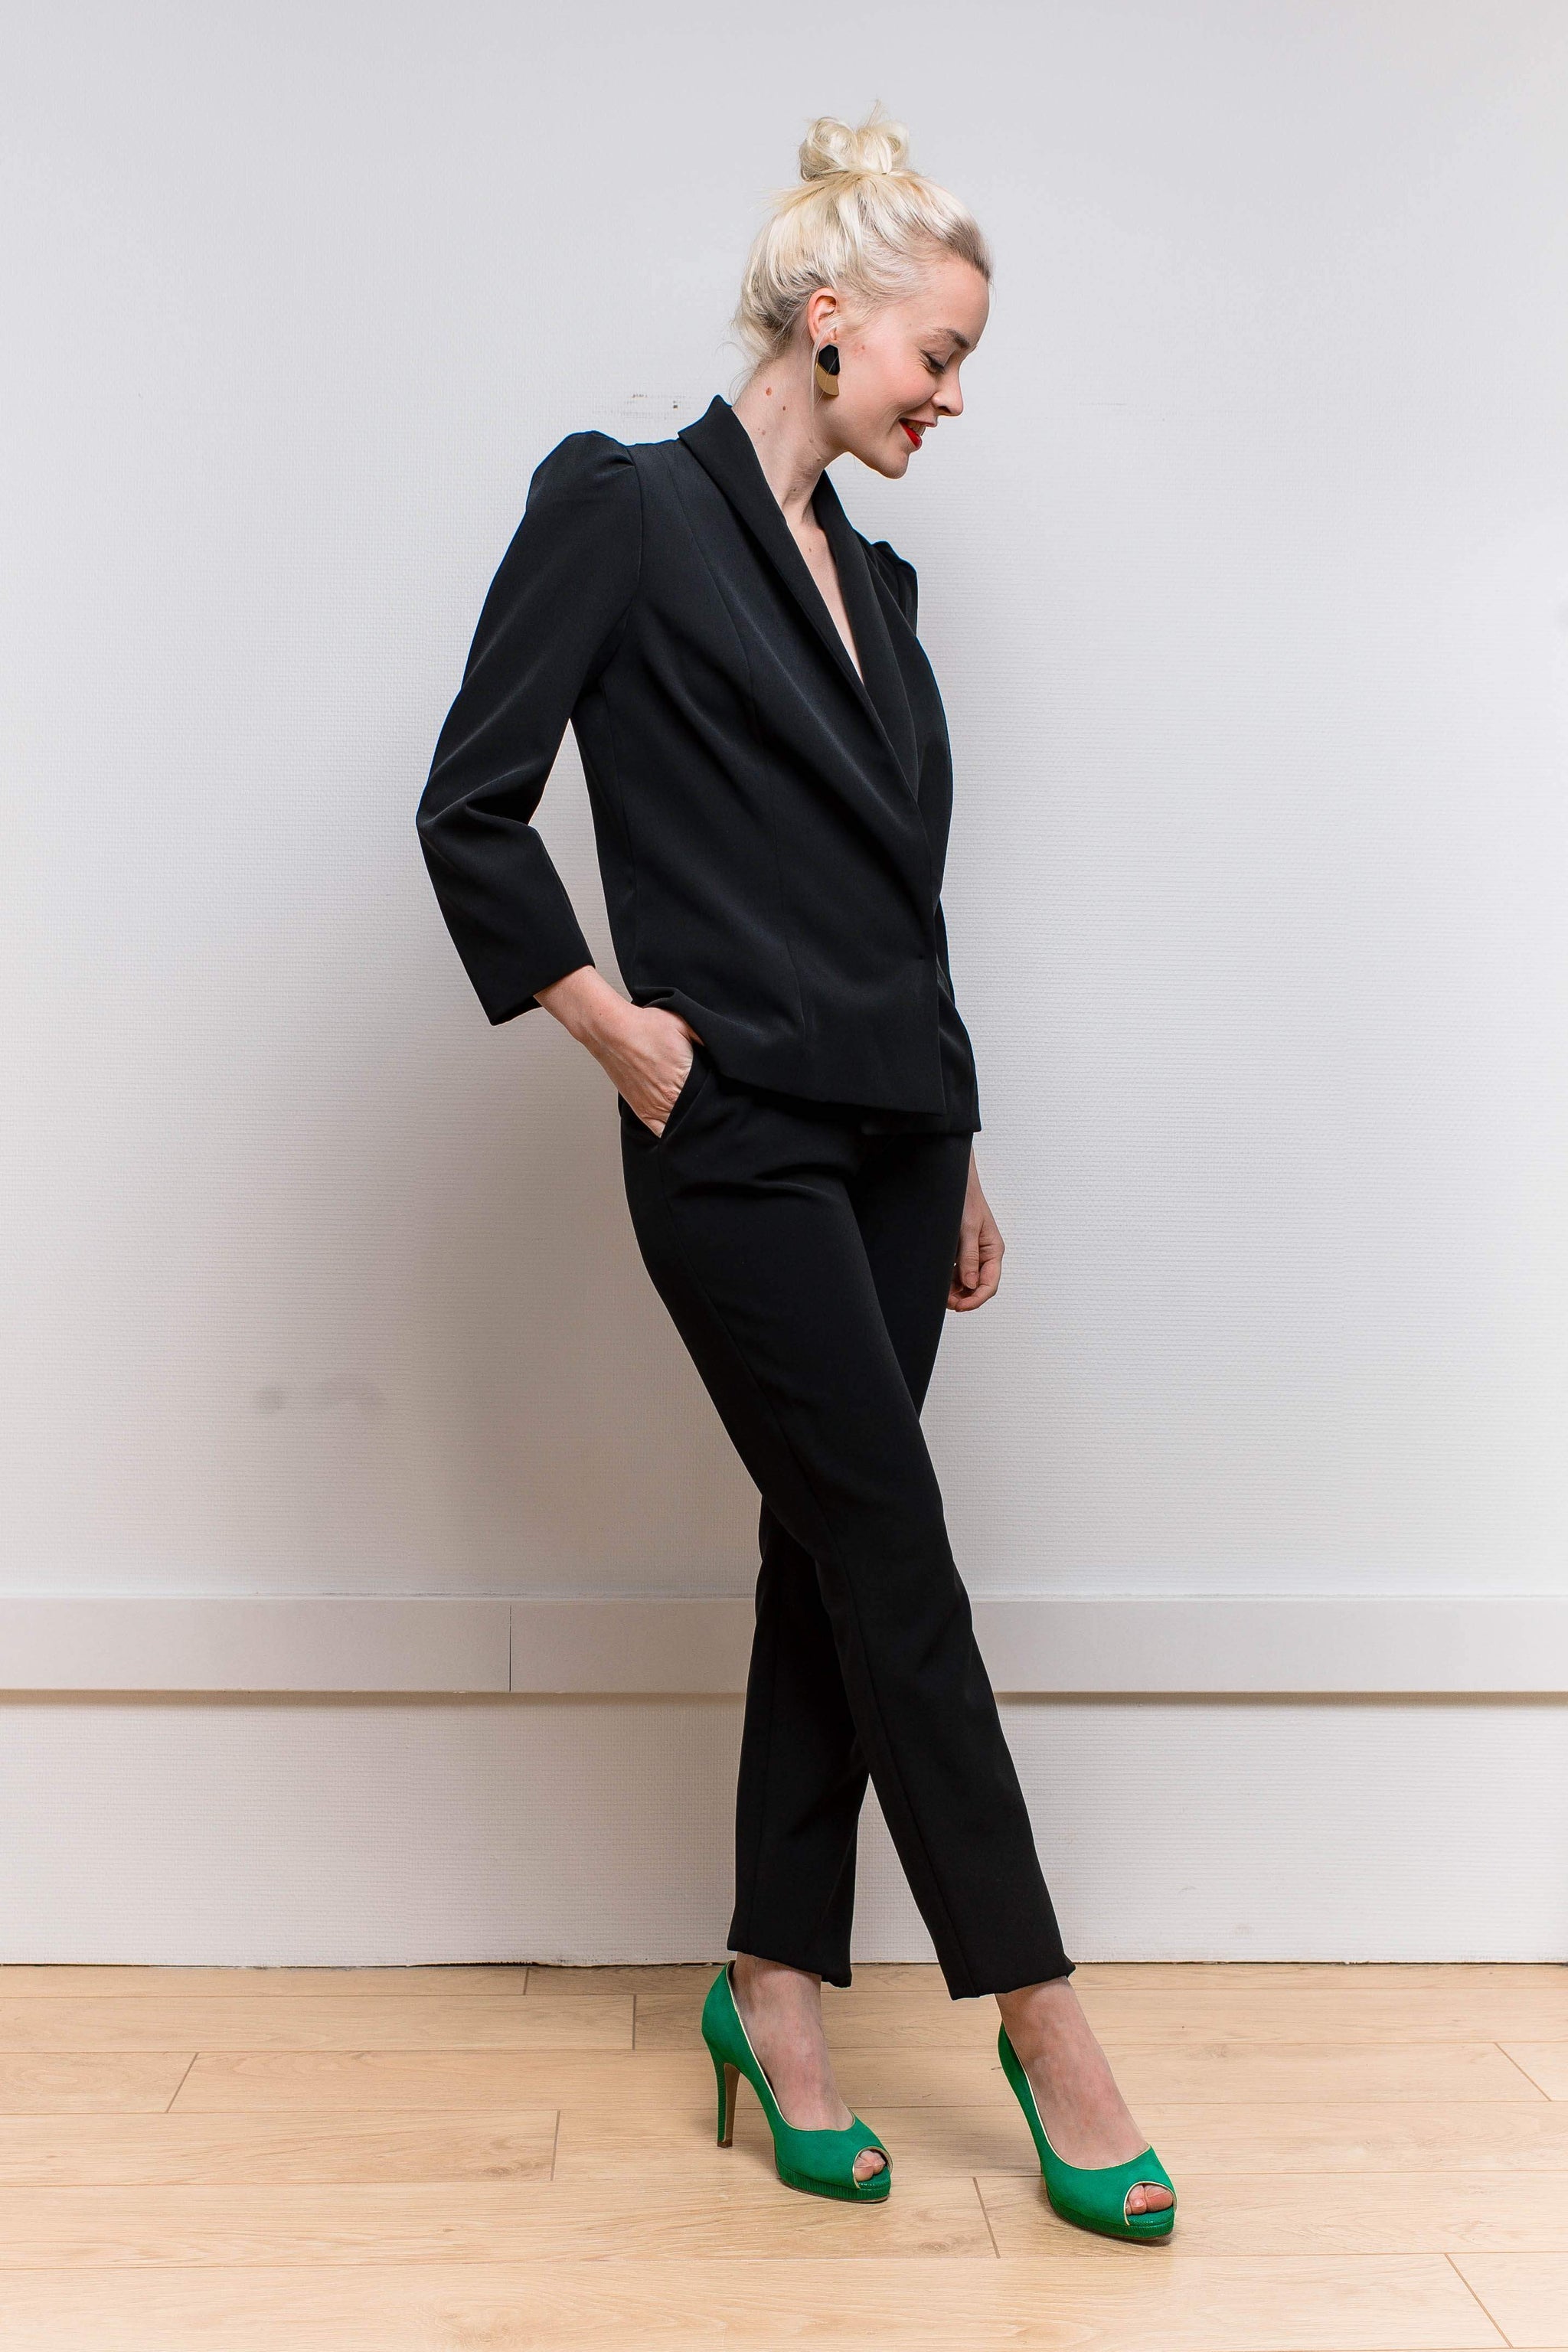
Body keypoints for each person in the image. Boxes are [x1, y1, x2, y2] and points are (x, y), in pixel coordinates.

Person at [416, 102, 1174, 2240]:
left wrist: (962, 1134)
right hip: (732, 1130)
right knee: (896, 1553)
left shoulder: (887, 587)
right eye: (943, 353)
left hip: (901, 1137)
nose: (954, 399)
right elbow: (471, 801)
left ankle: (771, 1988)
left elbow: (898, 903)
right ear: (829, 320)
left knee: (826, 1559)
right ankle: (1047, 2023)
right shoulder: (622, 507)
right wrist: (615, 1031)